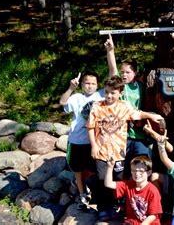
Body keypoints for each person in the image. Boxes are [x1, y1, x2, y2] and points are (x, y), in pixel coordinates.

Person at [87, 76, 163, 221]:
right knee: (103, 179)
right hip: (102, 151)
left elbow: (138, 114)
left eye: (113, 93)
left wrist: (151, 117)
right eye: (107, 92)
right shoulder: (97, 106)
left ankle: (118, 206)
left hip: (119, 153)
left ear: (120, 93)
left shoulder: (124, 106)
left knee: (117, 180)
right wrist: (94, 146)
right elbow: (90, 128)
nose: (109, 96)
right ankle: (104, 208)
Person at [105, 34, 151, 179]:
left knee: (141, 165)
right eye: (123, 72)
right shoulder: (120, 86)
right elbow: (113, 70)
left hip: (139, 133)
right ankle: (120, 196)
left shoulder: (141, 87)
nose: (124, 75)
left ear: (135, 73)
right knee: (120, 168)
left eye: (128, 72)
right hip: (121, 134)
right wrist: (110, 51)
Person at [59, 71, 104, 210]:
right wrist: (71, 88)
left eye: (93, 83)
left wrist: (110, 52)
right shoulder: (77, 97)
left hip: (94, 142)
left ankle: (97, 193)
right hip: (76, 141)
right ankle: (82, 194)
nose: (90, 86)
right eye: (87, 83)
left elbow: (114, 75)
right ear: (82, 84)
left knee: (95, 170)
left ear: (97, 85)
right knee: (77, 170)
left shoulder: (101, 95)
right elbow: (62, 102)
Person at [104, 155, 162, 225]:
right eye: (134, 170)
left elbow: (153, 215)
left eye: (141, 171)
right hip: (131, 222)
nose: (137, 173)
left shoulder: (153, 191)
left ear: (149, 173)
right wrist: (110, 167)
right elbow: (108, 184)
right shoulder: (129, 184)